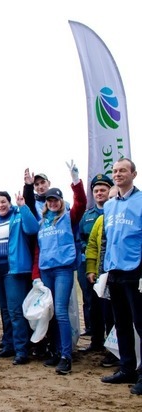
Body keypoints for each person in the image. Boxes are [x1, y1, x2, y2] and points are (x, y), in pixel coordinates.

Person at [35, 161, 87, 375]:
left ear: (60, 201)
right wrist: (36, 274)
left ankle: (66, 355)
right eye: (49, 200)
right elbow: (38, 249)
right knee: (52, 312)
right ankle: (56, 351)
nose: (53, 203)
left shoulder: (68, 217)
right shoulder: (42, 222)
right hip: (46, 269)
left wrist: (75, 180)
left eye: (56, 199)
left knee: (62, 312)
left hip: (63, 270)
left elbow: (81, 203)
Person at [0, 190, 39, 366]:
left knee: (15, 310)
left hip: (14, 269)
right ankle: (8, 345)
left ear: (9, 202)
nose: (0, 205)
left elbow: (33, 228)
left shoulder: (18, 217)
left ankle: (22, 349)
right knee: (5, 310)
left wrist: (23, 206)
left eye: (3, 202)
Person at [100, 158, 142, 396]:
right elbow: (107, 239)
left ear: (133, 174)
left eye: (122, 170)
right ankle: (127, 368)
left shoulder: (141, 201)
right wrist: (105, 269)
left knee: (140, 323)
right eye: (115, 171)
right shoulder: (110, 205)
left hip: (135, 270)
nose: (117, 174)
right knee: (122, 323)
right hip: (114, 271)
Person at [78, 173, 114, 352]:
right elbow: (81, 239)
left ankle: (112, 344)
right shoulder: (87, 216)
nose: (99, 193)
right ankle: (96, 341)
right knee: (92, 304)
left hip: (111, 266)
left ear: (110, 191)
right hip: (89, 265)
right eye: (96, 190)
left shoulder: (115, 211)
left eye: (103, 190)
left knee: (111, 307)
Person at [85, 185, 120, 368]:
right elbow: (92, 246)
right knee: (106, 314)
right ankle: (111, 350)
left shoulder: (127, 218)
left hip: (125, 273)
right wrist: (91, 269)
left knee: (122, 315)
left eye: (116, 197)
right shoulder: (100, 220)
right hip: (104, 275)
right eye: (111, 198)